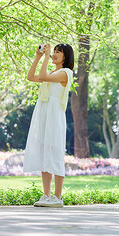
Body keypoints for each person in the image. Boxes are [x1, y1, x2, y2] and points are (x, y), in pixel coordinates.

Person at [24, 43, 74, 207]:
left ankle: (57, 197)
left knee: (55, 152)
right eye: (54, 51)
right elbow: (31, 77)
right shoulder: (52, 72)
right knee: (45, 152)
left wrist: (45, 58)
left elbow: (43, 77)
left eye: (58, 52)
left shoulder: (65, 73)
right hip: (44, 114)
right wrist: (38, 58)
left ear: (66, 56)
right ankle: (46, 195)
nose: (54, 54)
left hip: (54, 116)